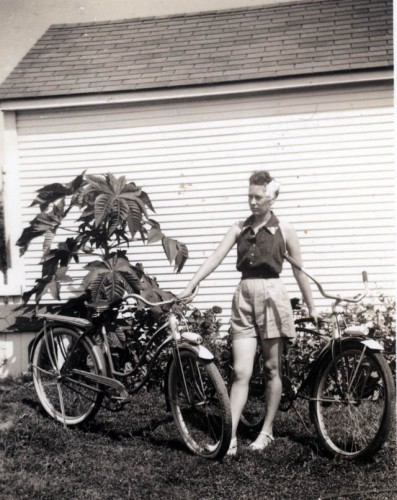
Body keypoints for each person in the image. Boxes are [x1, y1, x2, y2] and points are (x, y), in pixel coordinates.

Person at [178, 170, 318, 455]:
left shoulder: (285, 229)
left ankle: (266, 431)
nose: (253, 202)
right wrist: (193, 283)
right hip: (243, 297)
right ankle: (228, 436)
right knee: (241, 370)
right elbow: (215, 257)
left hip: (273, 297)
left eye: (259, 197)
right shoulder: (239, 227)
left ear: (273, 197)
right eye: (250, 196)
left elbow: (299, 270)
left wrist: (312, 305)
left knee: (271, 368)